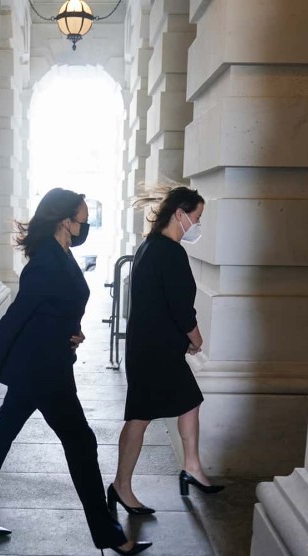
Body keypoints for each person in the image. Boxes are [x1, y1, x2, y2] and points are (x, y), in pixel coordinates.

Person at [0, 188, 151, 556]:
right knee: (82, 443)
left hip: (47, 363)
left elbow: (57, 308)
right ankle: (108, 534)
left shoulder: (62, 253)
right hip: (43, 371)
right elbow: (12, 321)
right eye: (83, 219)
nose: (86, 226)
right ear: (65, 221)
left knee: (2, 437)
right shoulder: (46, 262)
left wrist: (72, 333)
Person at [108, 186, 223, 515]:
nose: (198, 225)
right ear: (179, 214)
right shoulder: (170, 252)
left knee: (189, 401)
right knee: (140, 418)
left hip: (152, 348)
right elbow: (180, 307)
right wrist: (196, 338)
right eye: (197, 218)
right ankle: (121, 486)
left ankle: (192, 467)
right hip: (155, 353)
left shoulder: (150, 246)